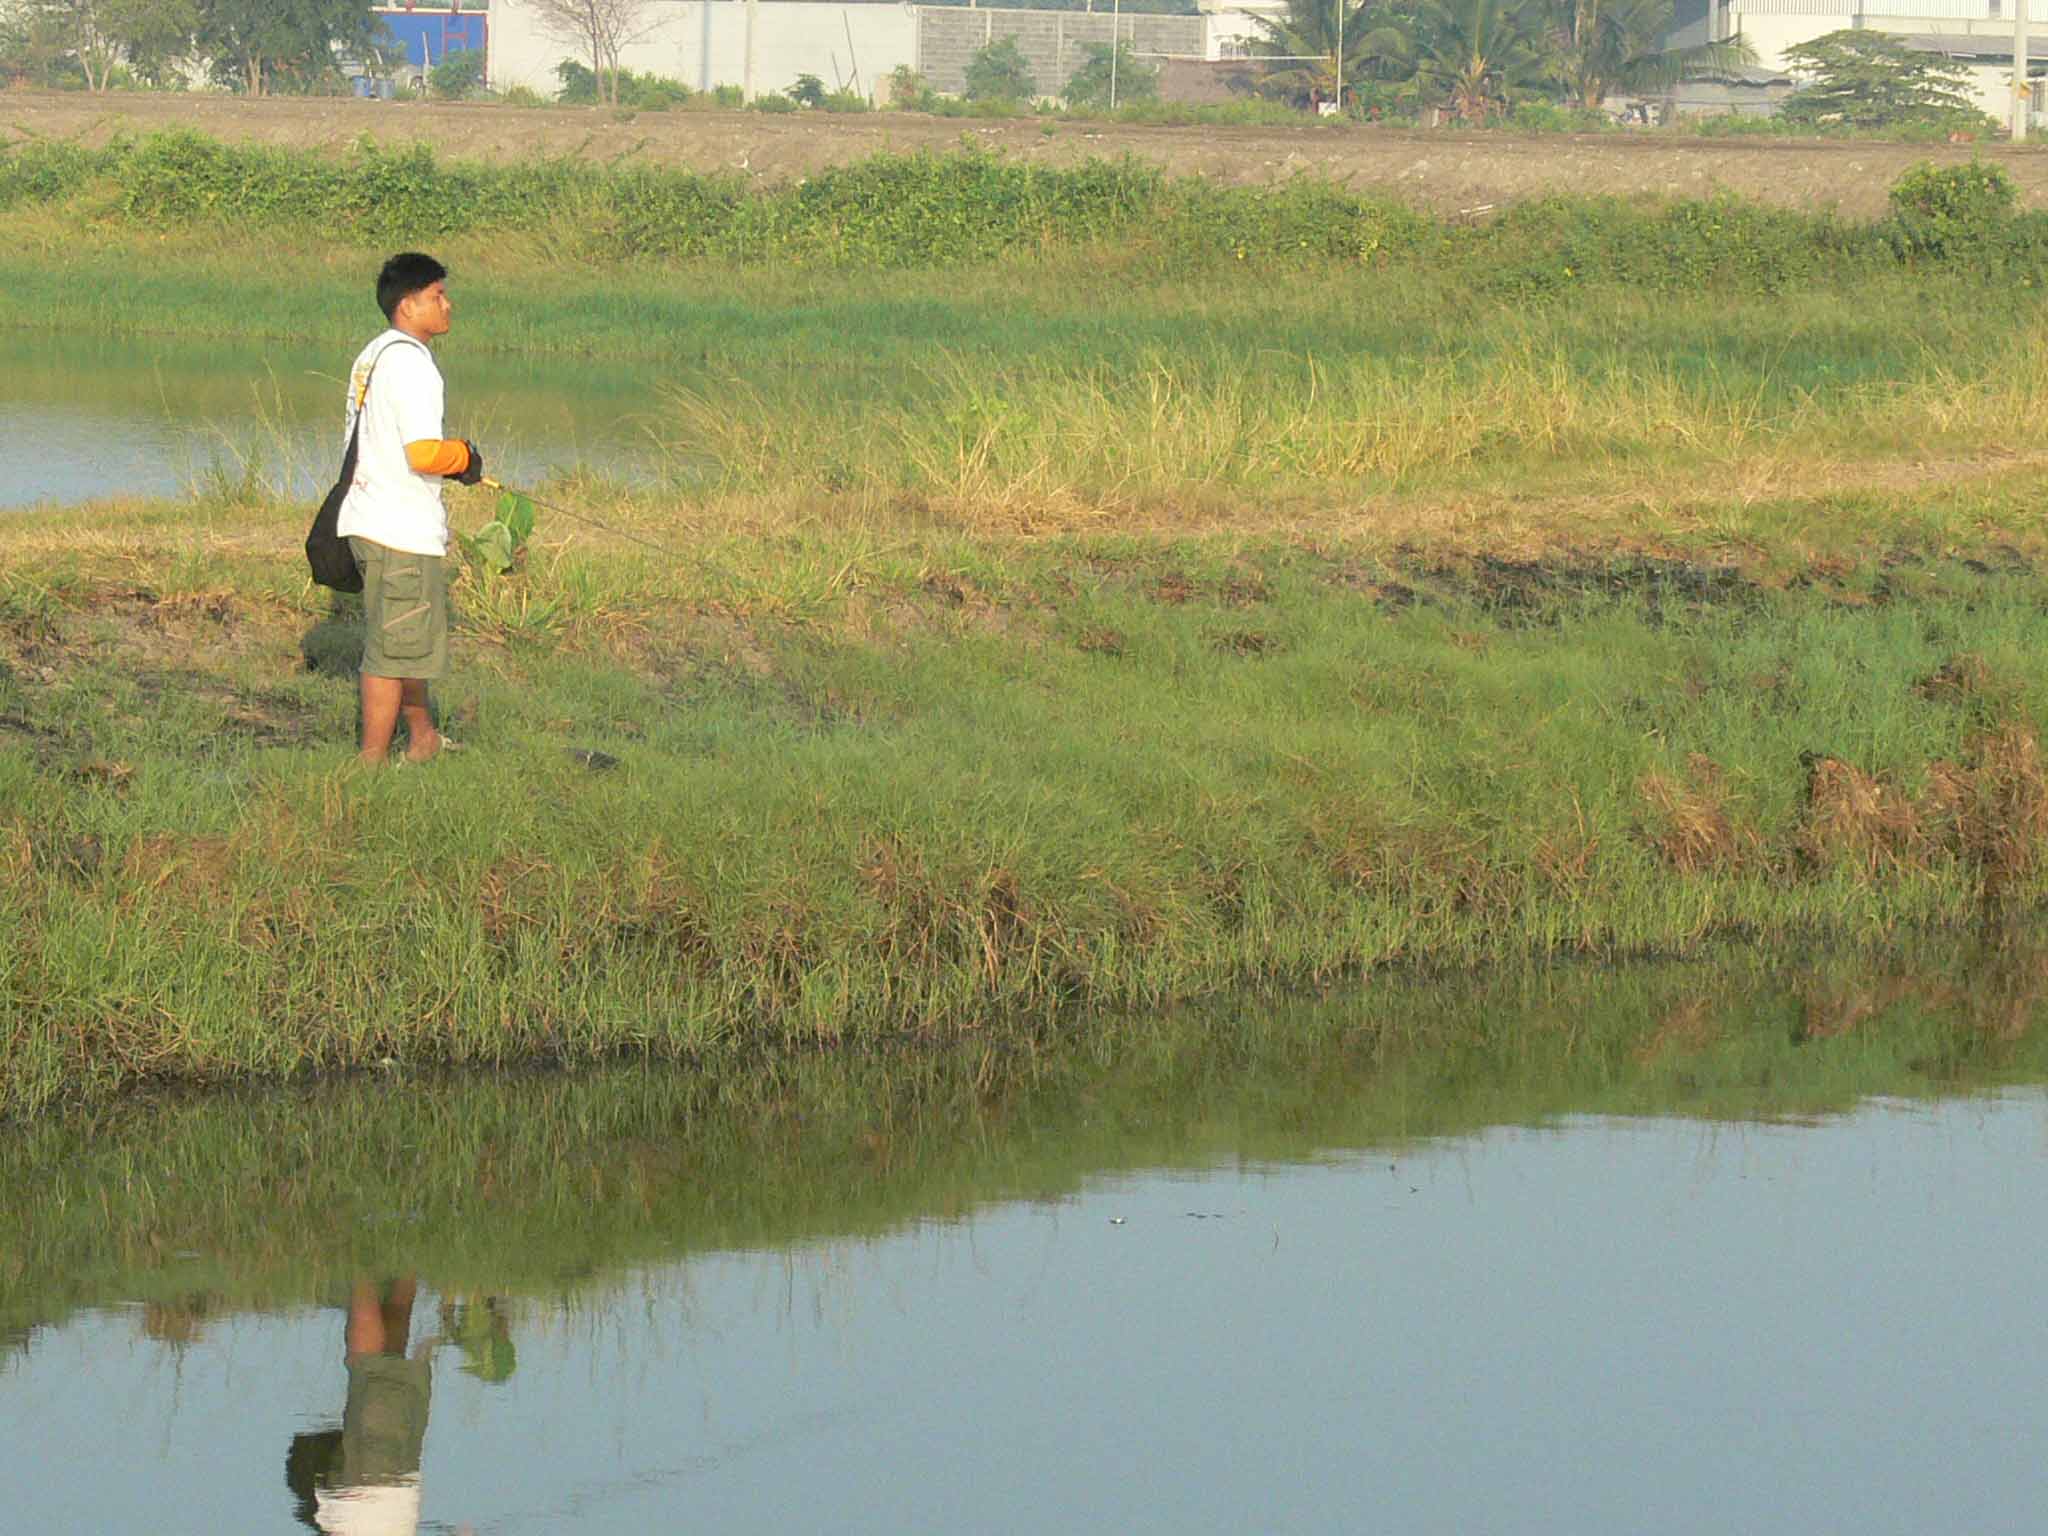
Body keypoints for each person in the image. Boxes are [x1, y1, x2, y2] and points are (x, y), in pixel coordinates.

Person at [338, 252, 484, 766]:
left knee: (408, 638)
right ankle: (370, 765)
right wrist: (464, 457)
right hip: (397, 529)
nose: (448, 304)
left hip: (370, 519)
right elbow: (423, 454)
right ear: (408, 306)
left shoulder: (374, 355)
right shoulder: (413, 366)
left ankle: (423, 739)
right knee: (388, 653)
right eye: (437, 296)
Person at [286, 1275, 435, 1535]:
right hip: (363, 1496)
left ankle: (405, 1258)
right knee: (367, 1366)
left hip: (400, 1492)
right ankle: (361, 1263)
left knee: (392, 1367)